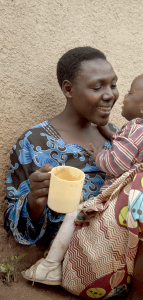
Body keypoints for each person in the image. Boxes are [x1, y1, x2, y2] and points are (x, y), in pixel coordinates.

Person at [22, 70, 143, 300]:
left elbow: (116, 164)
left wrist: (98, 155)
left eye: (127, 92)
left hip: (118, 201)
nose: (118, 96)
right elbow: (122, 140)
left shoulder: (135, 128)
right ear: (69, 89)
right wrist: (104, 128)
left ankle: (50, 265)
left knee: (73, 215)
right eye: (98, 87)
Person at [4, 46, 119, 246]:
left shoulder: (115, 136)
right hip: (77, 251)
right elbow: (12, 220)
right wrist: (33, 202)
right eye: (97, 87)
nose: (110, 95)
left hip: (125, 237)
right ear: (68, 89)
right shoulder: (34, 143)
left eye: (113, 85)